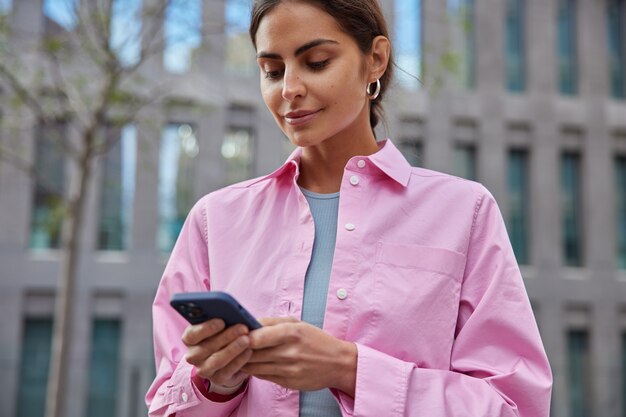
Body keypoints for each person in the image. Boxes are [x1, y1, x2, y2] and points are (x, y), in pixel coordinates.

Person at [145, 0, 553, 416]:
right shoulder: (216, 220)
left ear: (375, 59)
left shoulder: (465, 211)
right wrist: (217, 382)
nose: (289, 88)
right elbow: (165, 407)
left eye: (317, 62)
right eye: (272, 70)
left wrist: (348, 370)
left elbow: (514, 406)